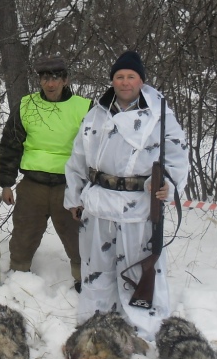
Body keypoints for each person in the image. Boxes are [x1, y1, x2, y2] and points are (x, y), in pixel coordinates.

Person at [64, 50, 189, 340]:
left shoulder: (160, 115)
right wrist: (74, 196)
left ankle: (141, 329)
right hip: (97, 204)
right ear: (112, 80)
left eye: (131, 76)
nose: (124, 82)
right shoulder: (97, 113)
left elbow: (177, 158)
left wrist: (167, 186)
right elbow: (78, 157)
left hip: (138, 207)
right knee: (97, 268)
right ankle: (96, 324)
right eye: (119, 76)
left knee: (137, 268)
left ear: (141, 80)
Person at [0, 55, 92, 289]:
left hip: (69, 186)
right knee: (24, 233)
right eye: (45, 78)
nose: (50, 84)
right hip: (33, 184)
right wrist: (7, 183)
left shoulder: (84, 107)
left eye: (56, 78)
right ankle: (19, 273)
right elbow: (11, 144)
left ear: (65, 80)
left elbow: (96, 149)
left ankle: (84, 279)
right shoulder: (26, 105)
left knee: (77, 236)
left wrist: (91, 185)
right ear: (39, 81)